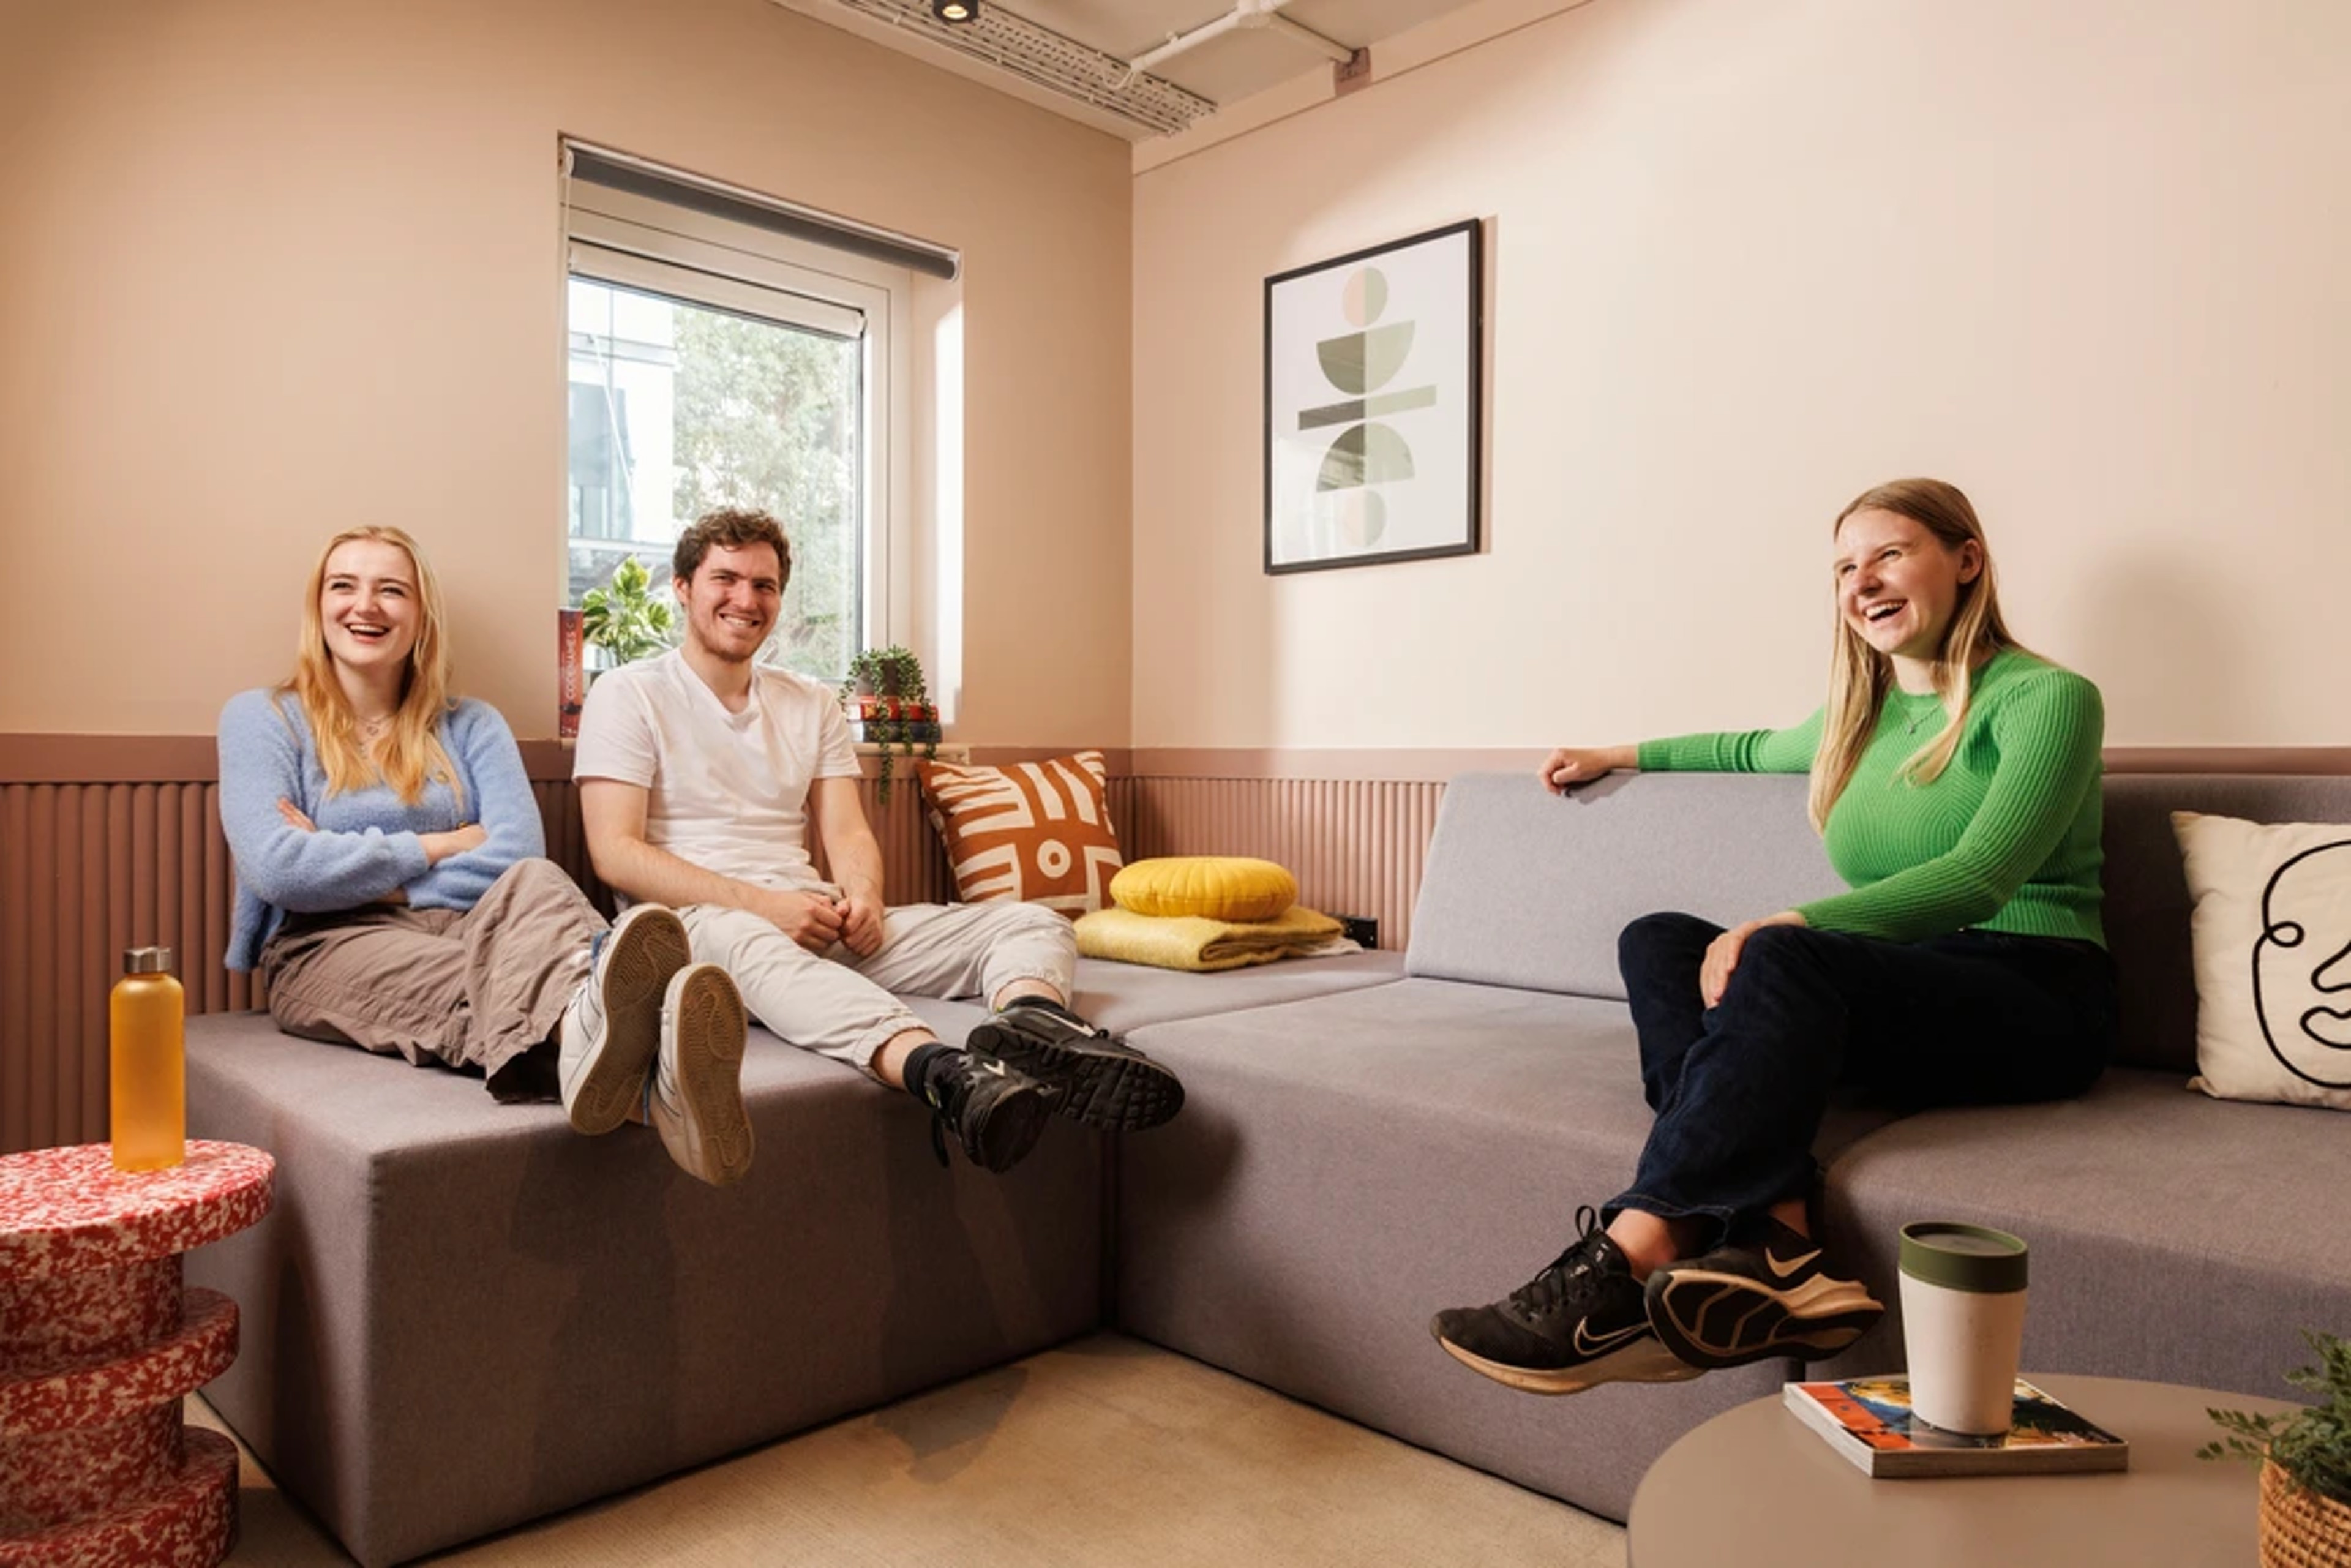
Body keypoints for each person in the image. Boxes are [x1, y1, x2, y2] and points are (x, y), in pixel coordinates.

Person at [1431, 479, 2115, 1394]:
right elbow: (1742, 746)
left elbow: (1980, 877)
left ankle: (1628, 1256)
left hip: (2038, 994)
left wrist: (1790, 922)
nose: (1861, 581)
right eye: (1843, 566)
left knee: (1781, 952)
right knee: (1659, 940)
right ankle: (1776, 1232)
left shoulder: (2047, 699)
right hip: (1919, 987)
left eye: (1889, 554)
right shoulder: (1858, 719)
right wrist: (1614, 753)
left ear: (1966, 560)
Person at [573, 506, 1184, 1173]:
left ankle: (1033, 1024)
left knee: (1031, 921)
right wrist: (763, 905)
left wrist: (863, 895)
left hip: (815, 917)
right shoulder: (628, 693)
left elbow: (847, 830)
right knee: (739, 941)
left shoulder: (809, 701)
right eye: (726, 578)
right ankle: (947, 1073)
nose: (746, 599)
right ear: (684, 586)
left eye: (766, 585)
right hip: (700, 931)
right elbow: (617, 852)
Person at [218, 525, 752, 1185]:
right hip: (329, 943)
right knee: (493, 982)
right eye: (344, 586)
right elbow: (279, 869)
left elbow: (515, 853)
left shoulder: (471, 723)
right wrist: (439, 843)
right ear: (318, 605)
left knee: (536, 876)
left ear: (421, 614)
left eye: (392, 590)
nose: (366, 605)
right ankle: (654, 1066)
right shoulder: (263, 718)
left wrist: (349, 865)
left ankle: (631, 1065)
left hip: (483, 926)